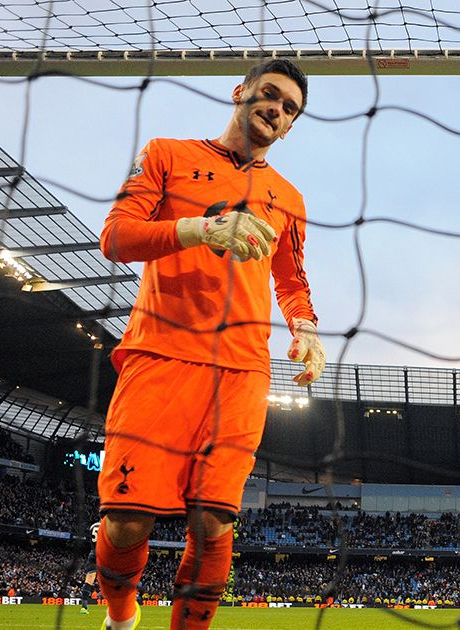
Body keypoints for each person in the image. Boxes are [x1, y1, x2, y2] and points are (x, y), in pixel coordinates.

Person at [95, 59, 325, 630]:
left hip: (242, 371)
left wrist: (307, 329)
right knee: (126, 522)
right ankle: (122, 618)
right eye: (269, 95)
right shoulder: (165, 155)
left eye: (289, 107)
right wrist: (199, 230)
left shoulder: (289, 199)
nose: (276, 109)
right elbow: (116, 237)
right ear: (241, 92)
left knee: (214, 522)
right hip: (159, 354)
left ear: (291, 125)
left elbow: (291, 281)